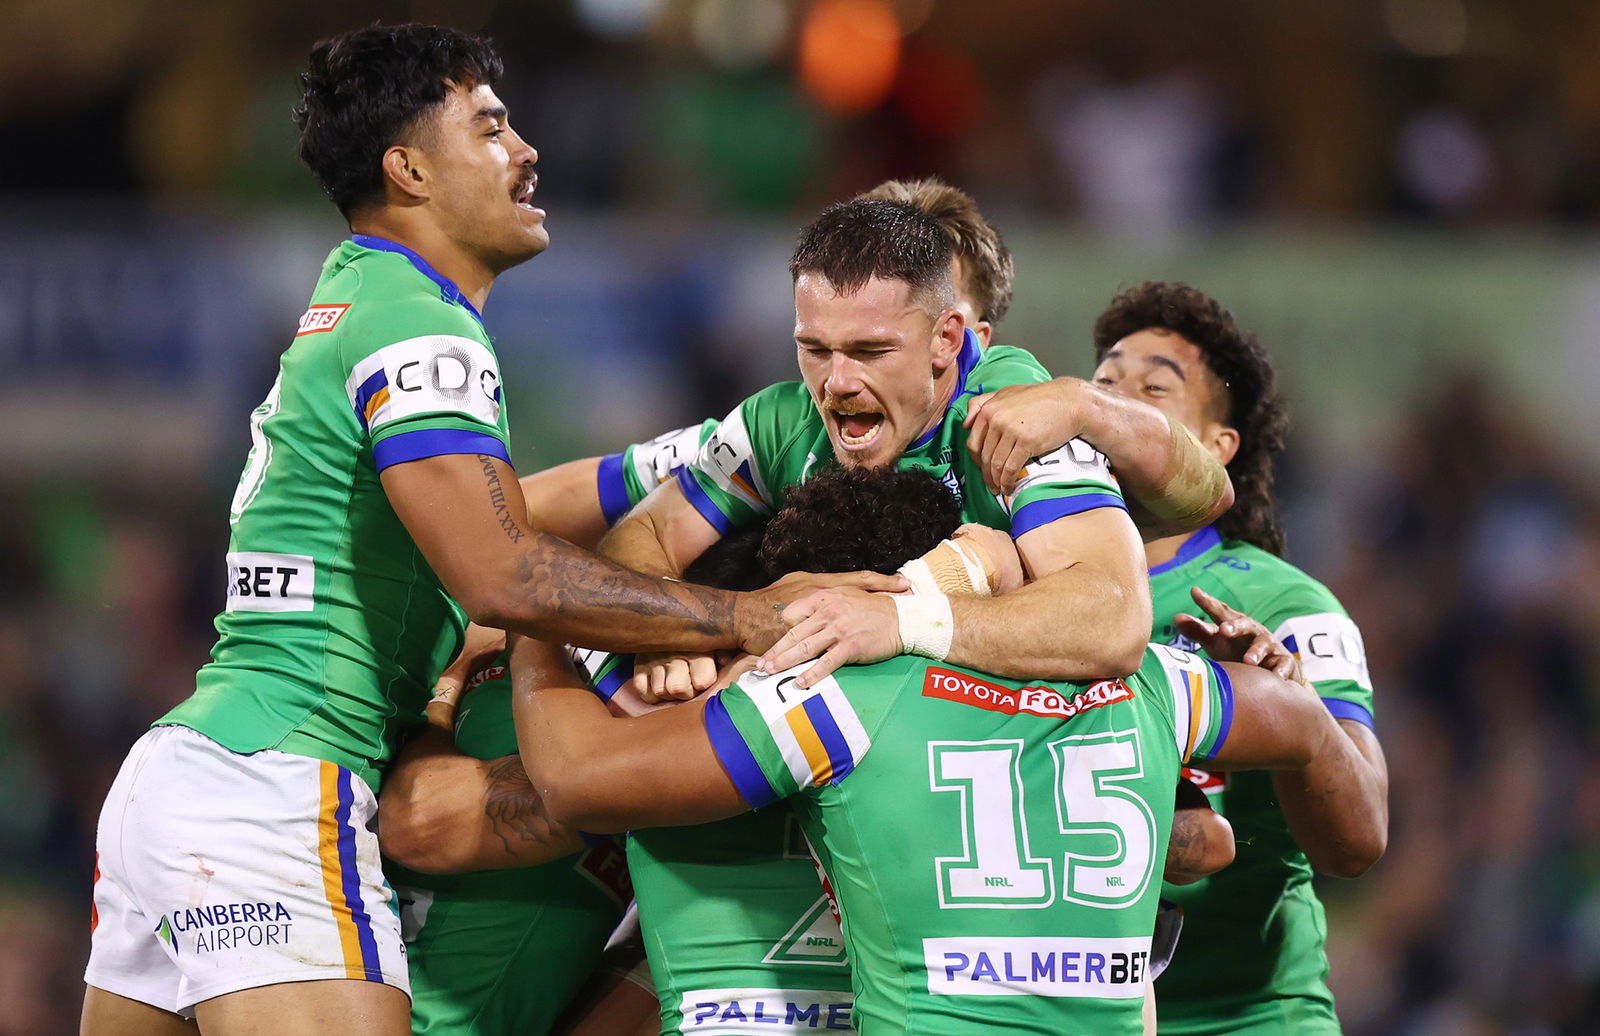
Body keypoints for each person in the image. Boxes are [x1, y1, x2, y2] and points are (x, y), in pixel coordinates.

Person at [80, 24, 888, 1036]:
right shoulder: (424, 325)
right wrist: (746, 622)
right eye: (491, 127)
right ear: (408, 167)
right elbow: (506, 571)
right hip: (279, 783)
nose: (526, 150)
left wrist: (693, 465)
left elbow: (500, 515)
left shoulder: (357, 297)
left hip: (197, 767)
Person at [511, 466, 1346, 1035]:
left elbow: (578, 781)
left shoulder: (828, 703)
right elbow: (1294, 741)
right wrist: (1273, 673)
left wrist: (544, 627)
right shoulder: (1157, 681)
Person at [957, 281, 1389, 1033]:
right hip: (1061, 1007)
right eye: (1103, 383)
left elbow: (1359, 840)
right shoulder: (1015, 574)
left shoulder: (1288, 606)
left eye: (1154, 388)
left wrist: (1296, 717)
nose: (1114, 403)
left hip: (1245, 1014)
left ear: (1217, 449)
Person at [603, 196, 1198, 698]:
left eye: (869, 351)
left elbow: (1114, 620)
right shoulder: (777, 419)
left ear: (946, 339)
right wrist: (673, 622)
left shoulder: (1009, 409)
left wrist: (901, 619)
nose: (837, 383)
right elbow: (639, 531)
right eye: (815, 349)